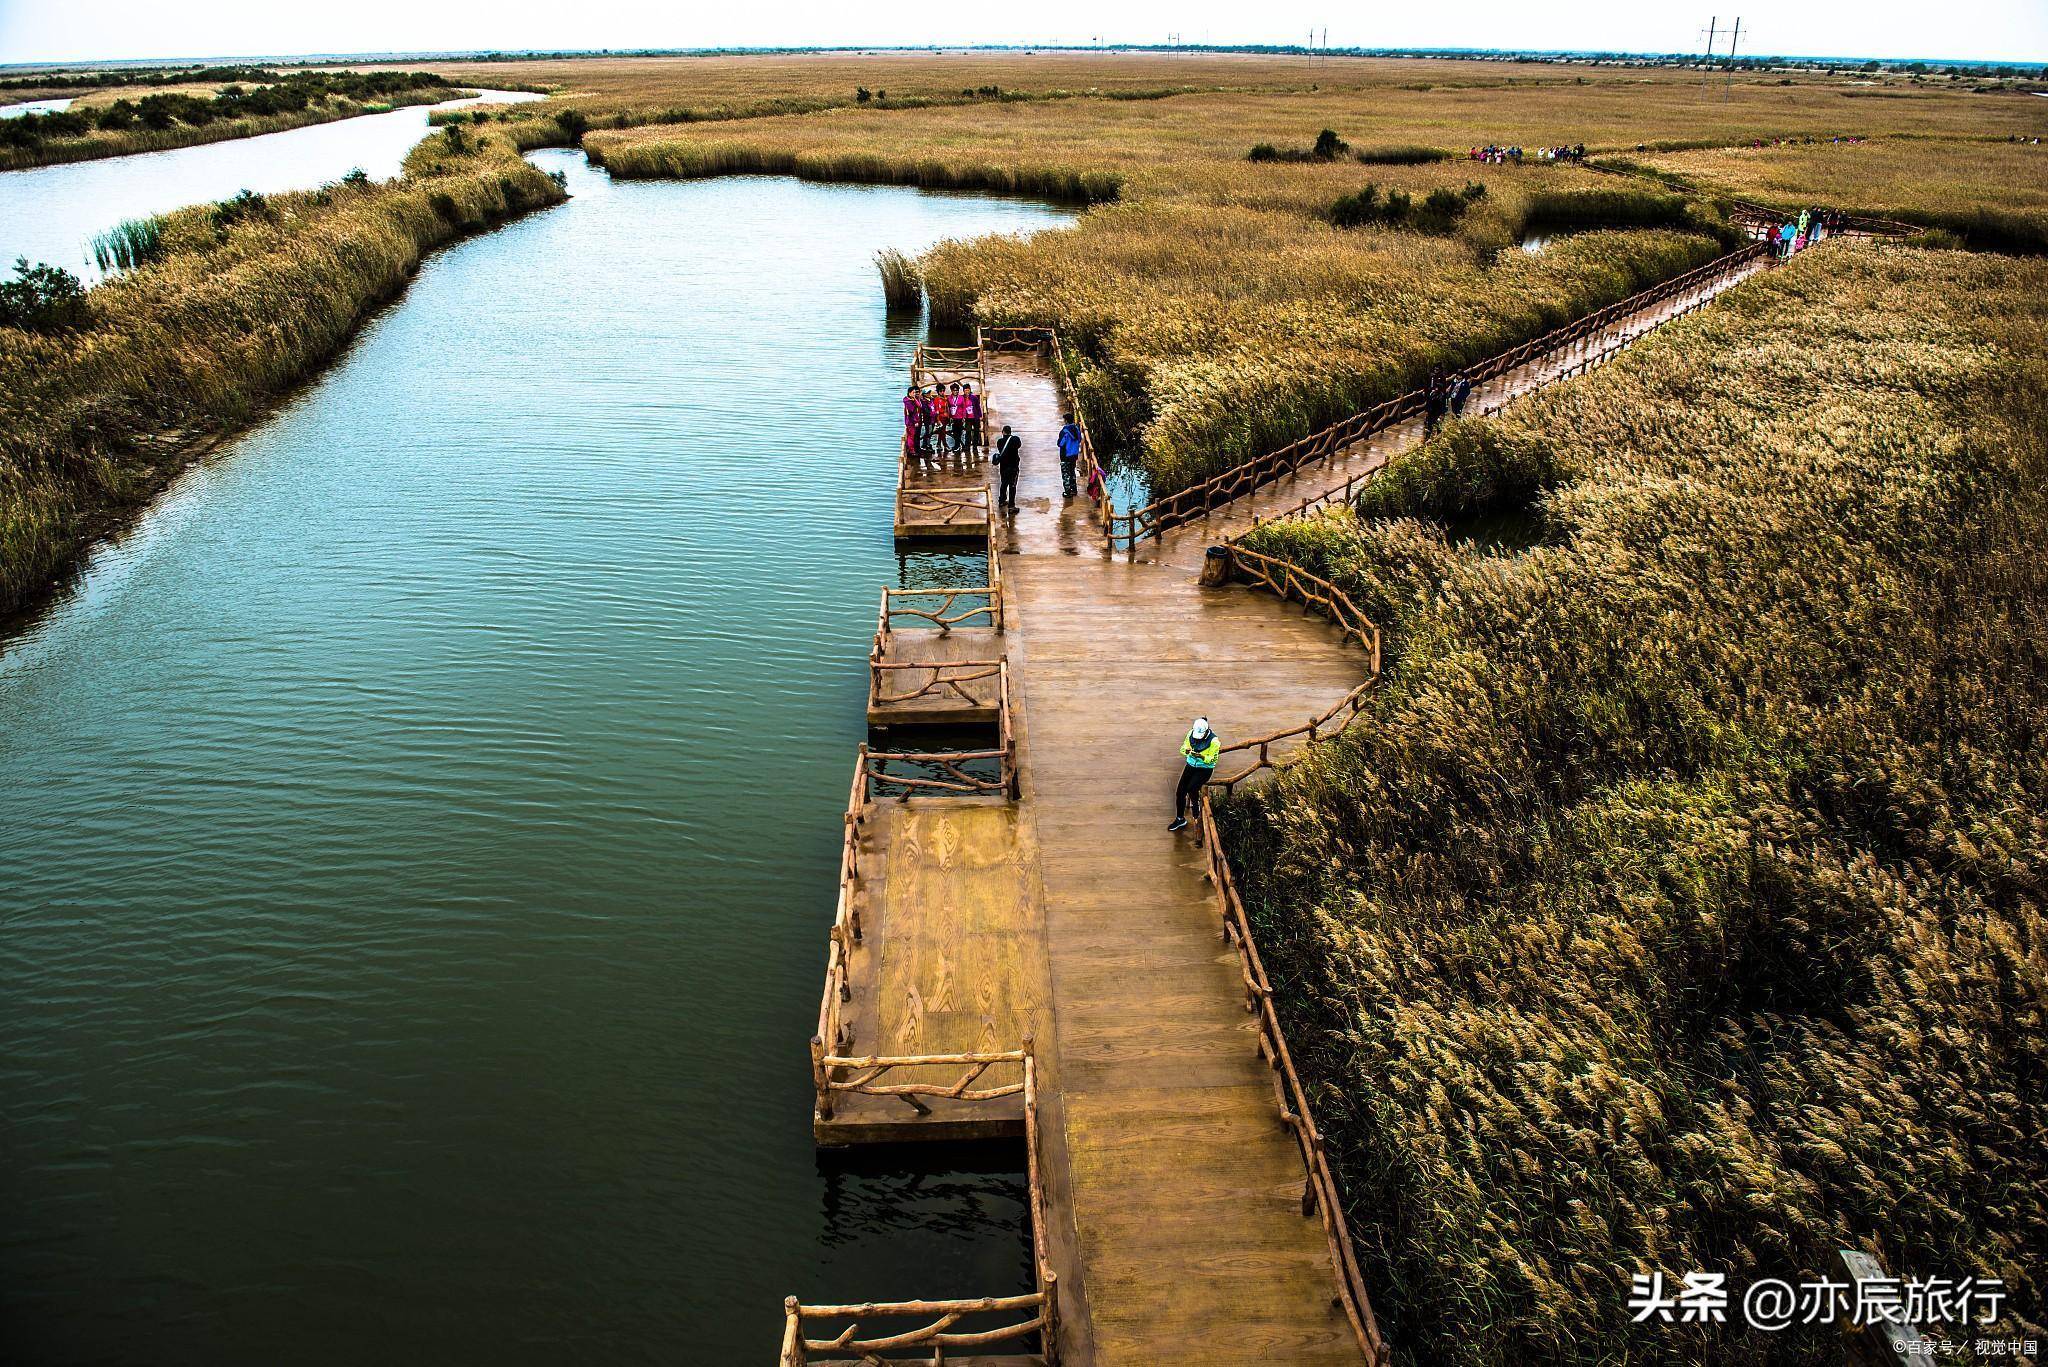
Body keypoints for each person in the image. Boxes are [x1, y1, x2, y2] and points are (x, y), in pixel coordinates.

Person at [1168, 717, 1220, 832]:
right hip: (1190, 765)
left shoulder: (1214, 741)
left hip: (1205, 769)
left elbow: (1213, 759)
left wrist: (1202, 757)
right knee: (1180, 791)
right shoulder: (1190, 734)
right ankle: (1180, 819)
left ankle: (1196, 811)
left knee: (1192, 788)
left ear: (1206, 731)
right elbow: (1183, 748)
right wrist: (1186, 751)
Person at [991, 424, 1022, 511]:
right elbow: (1019, 445)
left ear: (1003, 432)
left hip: (1003, 466)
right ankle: (1011, 506)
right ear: (1010, 432)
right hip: (1013, 466)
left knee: (1004, 483)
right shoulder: (1015, 439)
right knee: (1012, 485)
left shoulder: (999, 442)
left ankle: (1002, 500)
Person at [1055, 413, 1084, 497]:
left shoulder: (1064, 431)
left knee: (1065, 474)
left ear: (1066, 421)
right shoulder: (1076, 429)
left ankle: (1067, 492)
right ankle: (1074, 490)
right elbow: (1079, 440)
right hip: (1074, 455)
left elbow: (1060, 443)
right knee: (1072, 472)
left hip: (1065, 455)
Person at [1423, 369, 1448, 436]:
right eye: (1435, 388)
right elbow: (1428, 402)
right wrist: (1427, 410)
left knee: (1437, 423)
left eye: (1437, 388)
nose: (1436, 389)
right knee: (1430, 424)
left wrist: (1442, 413)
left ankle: (1438, 434)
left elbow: (1443, 405)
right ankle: (1428, 435)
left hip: (1437, 412)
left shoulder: (1442, 396)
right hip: (1431, 411)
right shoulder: (1432, 394)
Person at [962, 383, 984, 454]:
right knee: (968, 432)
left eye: (968, 390)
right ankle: (967, 446)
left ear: (970, 390)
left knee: (976, 432)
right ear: (963, 391)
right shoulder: (962, 398)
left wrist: (980, 416)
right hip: (968, 418)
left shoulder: (974, 397)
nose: (967, 392)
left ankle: (975, 447)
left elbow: (978, 407)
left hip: (975, 417)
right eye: (965, 390)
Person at [902, 385, 922, 459]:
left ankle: (912, 449)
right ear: (909, 393)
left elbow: (919, 406)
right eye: (913, 393)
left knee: (913, 435)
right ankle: (911, 450)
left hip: (912, 420)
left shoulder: (912, 400)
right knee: (911, 436)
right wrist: (915, 421)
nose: (914, 394)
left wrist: (915, 399)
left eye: (915, 392)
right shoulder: (908, 402)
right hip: (911, 422)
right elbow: (911, 413)